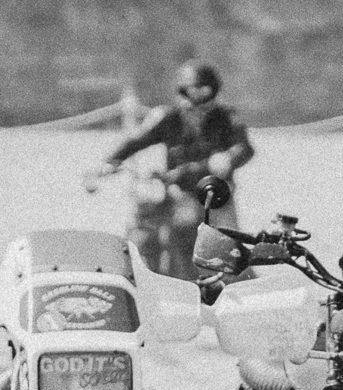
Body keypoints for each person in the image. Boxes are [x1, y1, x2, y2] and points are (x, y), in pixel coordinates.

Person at [85, 60, 254, 277]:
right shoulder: (168, 117)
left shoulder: (226, 117)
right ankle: (153, 278)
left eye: (204, 91)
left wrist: (229, 158)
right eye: (193, 91)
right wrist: (110, 162)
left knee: (227, 251)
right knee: (151, 232)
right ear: (182, 91)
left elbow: (244, 147)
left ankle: (240, 286)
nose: (197, 108)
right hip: (179, 192)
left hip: (215, 196)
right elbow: (137, 140)